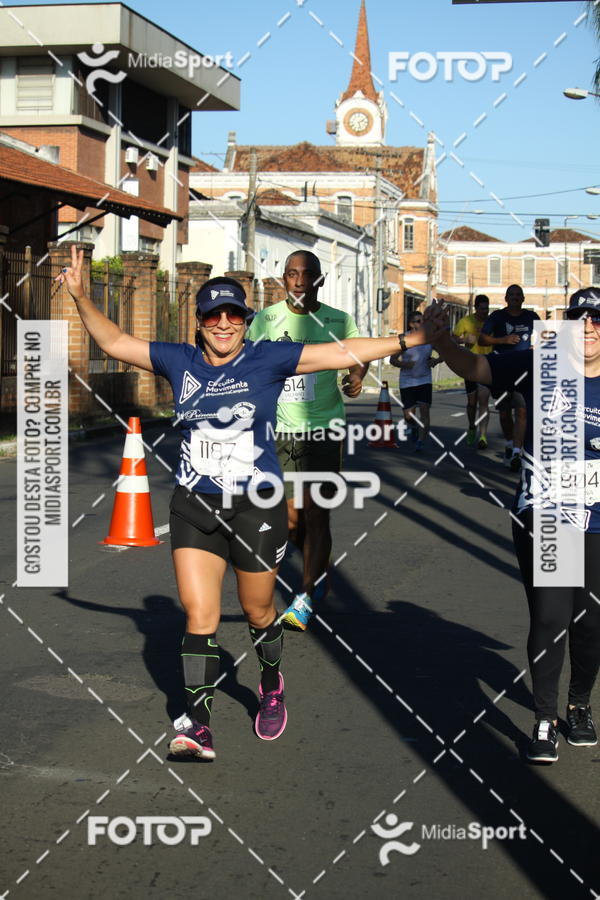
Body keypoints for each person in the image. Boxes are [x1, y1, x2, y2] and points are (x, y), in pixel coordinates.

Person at [58, 245, 439, 760]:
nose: (223, 324)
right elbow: (115, 340)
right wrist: (81, 296)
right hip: (195, 505)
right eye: (213, 315)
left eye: (233, 315)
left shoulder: (267, 358)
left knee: (259, 611)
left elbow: (340, 353)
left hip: (257, 507)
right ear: (199, 323)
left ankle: (271, 682)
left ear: (245, 322)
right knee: (200, 616)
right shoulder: (179, 360)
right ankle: (197, 724)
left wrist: (409, 338)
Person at [426, 290, 600, 764]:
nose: (587, 326)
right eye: (578, 318)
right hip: (545, 510)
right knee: (551, 615)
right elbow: (477, 370)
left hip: (597, 520)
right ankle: (544, 718)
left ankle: (579, 703)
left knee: (591, 623)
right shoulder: (542, 361)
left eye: (597, 319)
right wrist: (440, 340)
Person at [247, 250, 367, 632]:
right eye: (291, 274)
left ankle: (304, 594)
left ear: (319, 280)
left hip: (324, 428)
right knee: (288, 517)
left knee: (316, 512)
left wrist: (356, 375)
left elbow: (357, 356)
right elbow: (248, 363)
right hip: (280, 431)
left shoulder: (337, 320)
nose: (298, 281)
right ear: (284, 279)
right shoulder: (266, 320)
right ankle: (318, 570)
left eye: (306, 274)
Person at [479, 284, 540, 471]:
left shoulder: (531, 317)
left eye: (518, 295)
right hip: (502, 369)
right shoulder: (497, 317)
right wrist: (502, 340)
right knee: (504, 413)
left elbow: (546, 335)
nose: (515, 297)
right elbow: (482, 339)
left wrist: (537, 346)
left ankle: (515, 451)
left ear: (523, 298)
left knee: (521, 410)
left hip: (524, 370)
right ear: (506, 298)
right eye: (511, 295)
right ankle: (509, 441)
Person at [389, 309, 441, 451]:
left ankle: (420, 441)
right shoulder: (404, 339)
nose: (421, 323)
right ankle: (413, 426)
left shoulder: (429, 338)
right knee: (408, 415)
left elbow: (445, 353)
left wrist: (435, 361)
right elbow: (392, 360)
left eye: (423, 321)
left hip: (424, 379)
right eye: (418, 321)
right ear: (411, 324)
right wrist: (404, 364)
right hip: (407, 381)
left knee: (425, 412)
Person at [452, 294, 491, 450]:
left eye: (487, 309)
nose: (484, 312)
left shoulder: (491, 321)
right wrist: (463, 340)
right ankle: (471, 426)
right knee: (471, 403)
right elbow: (452, 338)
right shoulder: (466, 321)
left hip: (487, 365)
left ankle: (483, 436)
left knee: (483, 400)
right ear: (476, 308)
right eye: (482, 309)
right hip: (470, 365)